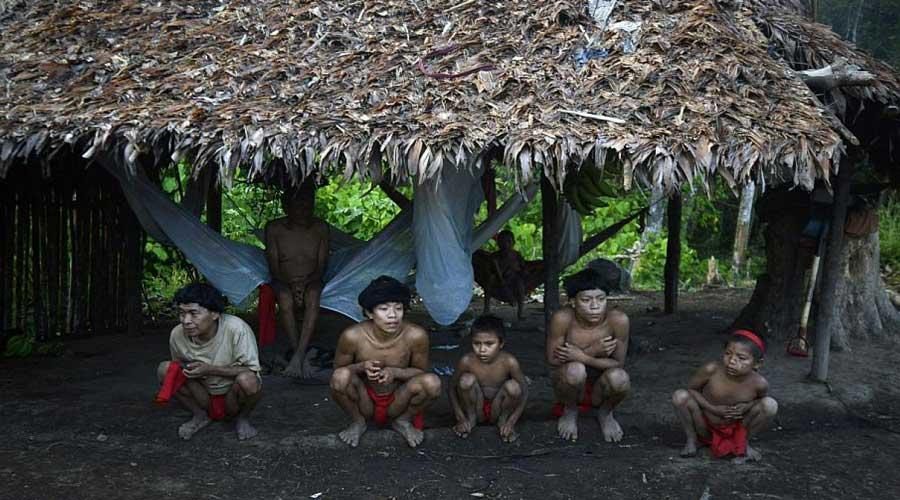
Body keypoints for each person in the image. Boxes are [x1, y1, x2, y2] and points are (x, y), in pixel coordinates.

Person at [329, 276, 442, 448]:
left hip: (398, 400)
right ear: (369, 313)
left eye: (398, 308)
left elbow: (421, 373)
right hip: (364, 400)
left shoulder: (415, 335)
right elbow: (338, 372)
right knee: (340, 377)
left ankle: (403, 421)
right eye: (383, 309)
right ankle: (358, 422)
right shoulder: (352, 336)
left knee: (432, 383)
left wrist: (396, 372)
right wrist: (361, 366)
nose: (392, 315)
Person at [155, 283, 262, 440]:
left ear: (214, 314)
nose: (186, 321)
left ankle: (243, 418)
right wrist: (190, 369)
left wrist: (210, 369)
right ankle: (199, 415)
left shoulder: (237, 329)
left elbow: (251, 370)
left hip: (232, 396)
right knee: (165, 369)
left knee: (248, 380)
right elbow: (177, 369)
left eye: (193, 313)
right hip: (203, 394)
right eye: (182, 313)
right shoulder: (177, 334)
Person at [546, 268, 631, 442]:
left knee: (620, 378)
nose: (595, 306)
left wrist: (585, 357)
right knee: (575, 370)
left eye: (601, 299)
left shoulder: (618, 320)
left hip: (602, 383)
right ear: (573, 302)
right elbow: (553, 359)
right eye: (586, 300)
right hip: (569, 382)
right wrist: (593, 351)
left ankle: (606, 413)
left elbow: (618, 364)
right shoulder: (563, 318)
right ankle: (570, 410)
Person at [671, 330, 778, 463]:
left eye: (741, 358)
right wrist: (712, 408)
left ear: (757, 363)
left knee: (770, 405)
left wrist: (746, 407)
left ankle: (743, 443)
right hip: (704, 426)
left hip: (736, 430)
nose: (732, 361)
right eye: (728, 354)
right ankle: (692, 439)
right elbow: (692, 390)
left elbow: (759, 402)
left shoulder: (759, 383)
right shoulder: (712, 370)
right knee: (679, 396)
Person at [264, 182, 329, 378]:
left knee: (313, 295)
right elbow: (274, 266)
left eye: (308, 205)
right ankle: (297, 351)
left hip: (312, 280)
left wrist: (306, 283)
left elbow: (322, 265)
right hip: (283, 279)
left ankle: (298, 356)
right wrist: (292, 284)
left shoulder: (320, 228)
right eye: (298, 206)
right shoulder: (274, 229)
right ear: (286, 208)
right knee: (284, 299)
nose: (304, 211)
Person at [449, 314, 528, 442]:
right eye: (476, 343)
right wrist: (460, 417)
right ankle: (471, 419)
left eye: (489, 344)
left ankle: (503, 421)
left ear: (501, 343)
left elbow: (524, 392)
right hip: (476, 407)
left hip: (499, 408)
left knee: (513, 387)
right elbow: (451, 388)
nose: (482, 350)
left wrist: (511, 421)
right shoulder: (467, 361)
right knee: (465, 380)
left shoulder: (509, 362)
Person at [483, 230, 528, 320]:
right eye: (502, 242)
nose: (505, 245)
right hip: (498, 281)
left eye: (508, 242)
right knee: (489, 281)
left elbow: (524, 269)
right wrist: (498, 274)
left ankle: (520, 312)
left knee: (520, 285)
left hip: (513, 279)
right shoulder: (494, 256)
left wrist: (516, 269)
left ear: (513, 243)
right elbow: (489, 271)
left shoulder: (516, 255)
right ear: (498, 243)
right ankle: (486, 309)